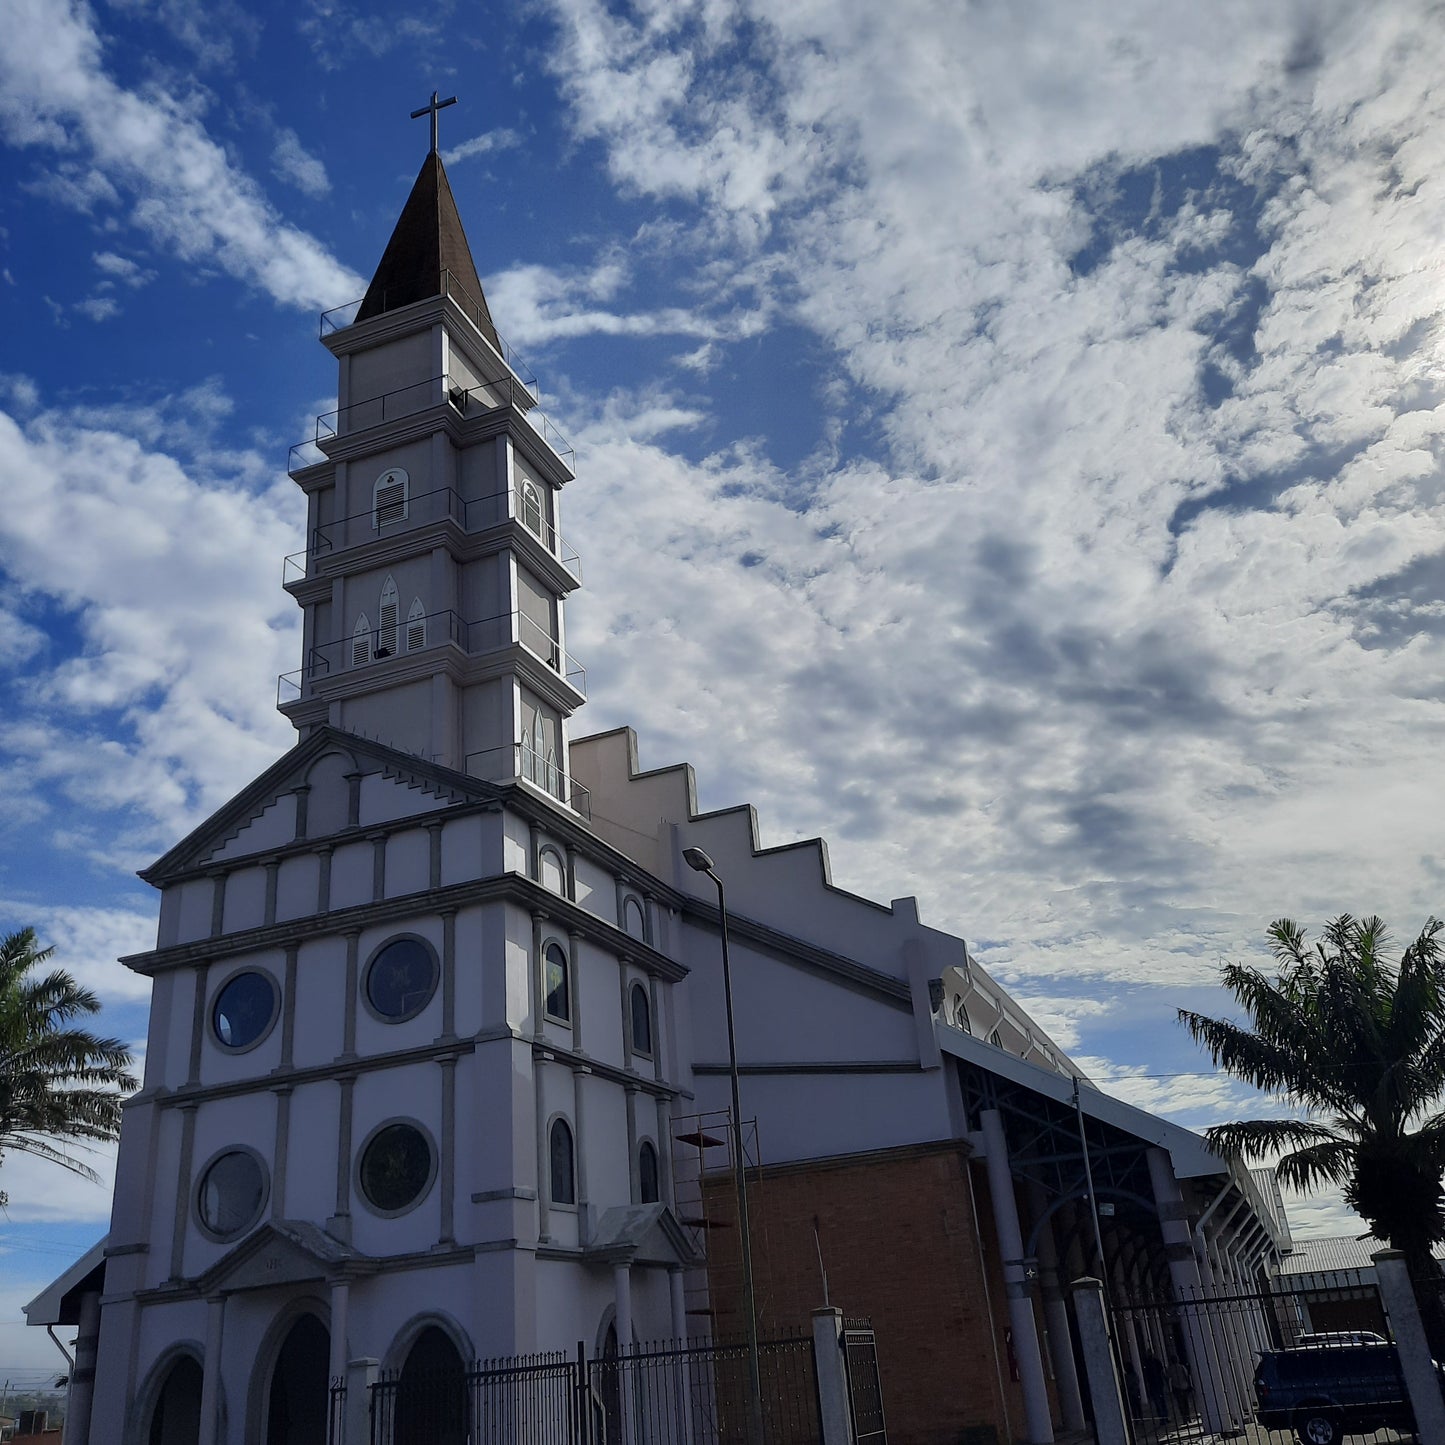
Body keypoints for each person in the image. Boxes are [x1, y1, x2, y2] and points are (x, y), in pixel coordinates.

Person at [1142, 1350, 1168, 1418]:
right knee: (1160, 1401)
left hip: (1155, 1384)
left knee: (1159, 1401)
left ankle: (1163, 1416)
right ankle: (1164, 1416)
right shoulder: (1154, 1362)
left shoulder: (1149, 1363)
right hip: (1156, 1383)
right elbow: (1162, 1372)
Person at [1168, 1354, 1192, 1418]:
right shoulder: (1181, 1367)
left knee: (1180, 1403)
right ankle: (1188, 1416)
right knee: (1185, 1402)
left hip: (1176, 1388)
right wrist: (1189, 1385)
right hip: (1184, 1386)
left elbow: (1168, 1377)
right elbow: (1186, 1375)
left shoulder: (1170, 1369)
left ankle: (1183, 1416)